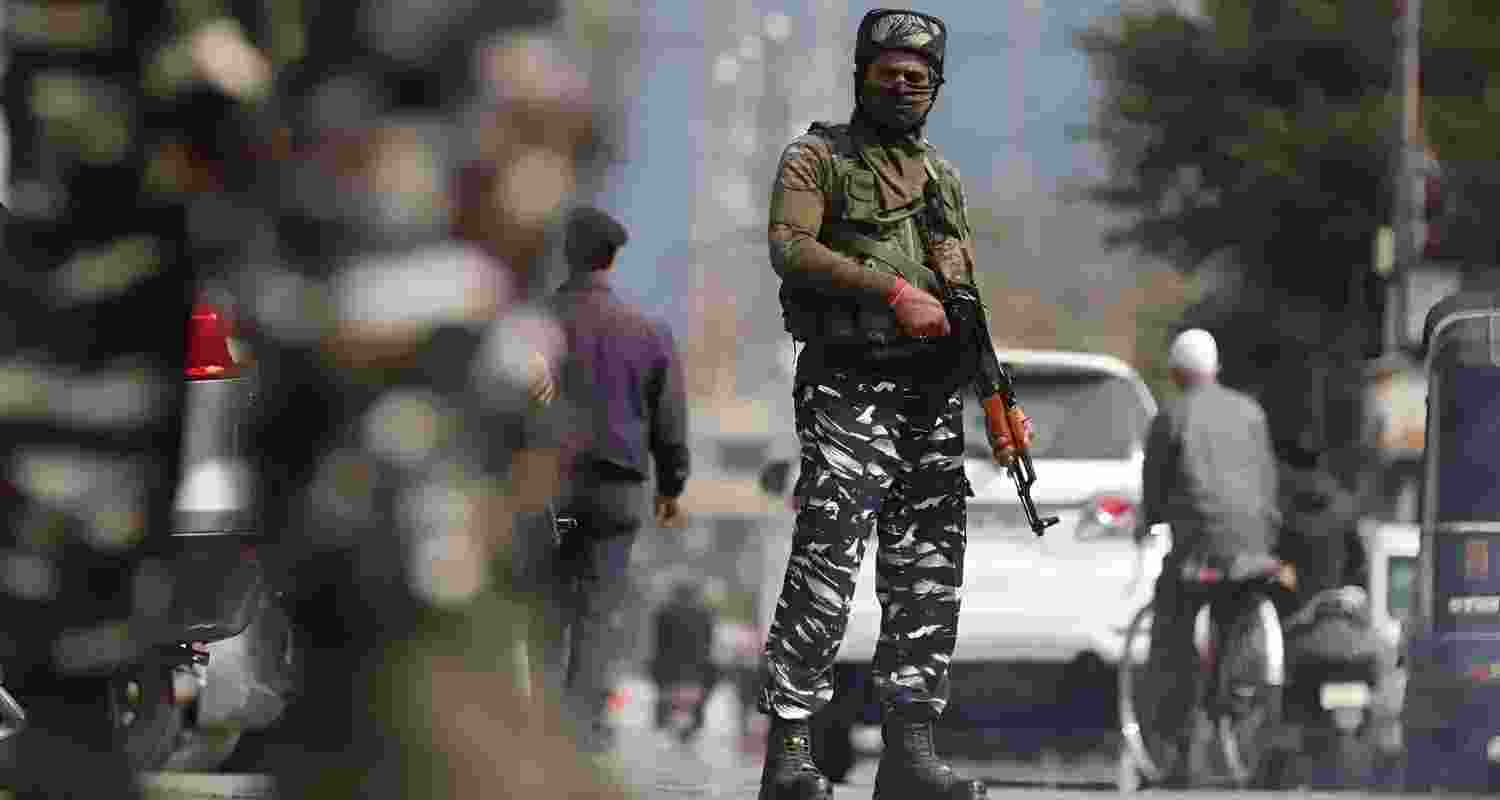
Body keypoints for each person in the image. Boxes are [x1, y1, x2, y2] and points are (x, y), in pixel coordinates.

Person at [757, 10, 1032, 800]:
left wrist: (994, 398)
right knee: (827, 556)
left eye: (920, 77)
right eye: (889, 72)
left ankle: (910, 754)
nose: (905, 86)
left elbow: (965, 295)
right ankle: (790, 752)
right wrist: (893, 288)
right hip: (848, 381)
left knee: (928, 570)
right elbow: (789, 247)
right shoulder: (816, 158)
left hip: (929, 394)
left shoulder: (940, 177)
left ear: (937, 88)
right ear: (861, 75)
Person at [544, 205, 691, 753]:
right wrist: (671, 487)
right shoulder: (648, 330)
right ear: (613, 259)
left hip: (549, 489)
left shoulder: (538, 323)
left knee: (547, 603)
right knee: (600, 607)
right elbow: (669, 420)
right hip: (619, 490)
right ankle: (583, 728)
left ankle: (536, 721)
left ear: (567, 255)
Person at [1133, 328, 1281, 786]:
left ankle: (1173, 741)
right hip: (1256, 550)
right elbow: (1268, 484)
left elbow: (1155, 497)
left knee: (1172, 625)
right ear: (1216, 368)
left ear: (1177, 373)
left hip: (1200, 556)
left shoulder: (1171, 416)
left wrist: (1147, 523)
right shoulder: (1252, 412)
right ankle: (1236, 708)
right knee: (1235, 613)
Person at [649, 580, 720, 737]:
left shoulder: (663, 613)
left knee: (660, 685)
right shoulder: (705, 614)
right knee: (710, 680)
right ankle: (700, 709)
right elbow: (709, 643)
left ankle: (660, 712)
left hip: (669, 668)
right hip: (696, 668)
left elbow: (658, 642)